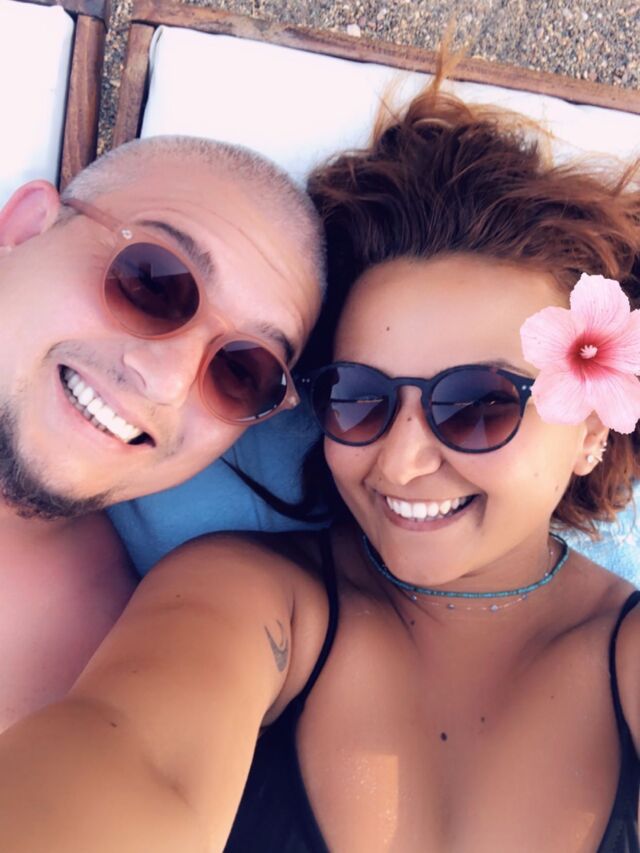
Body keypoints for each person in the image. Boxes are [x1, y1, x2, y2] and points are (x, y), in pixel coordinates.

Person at [0, 77, 638, 853]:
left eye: (478, 404)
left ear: (589, 426)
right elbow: (128, 754)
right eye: (361, 398)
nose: (400, 461)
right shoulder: (247, 596)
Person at [0, 135, 323, 730]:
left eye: (241, 371)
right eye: (151, 281)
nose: (167, 381)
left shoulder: (118, 673)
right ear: (24, 227)